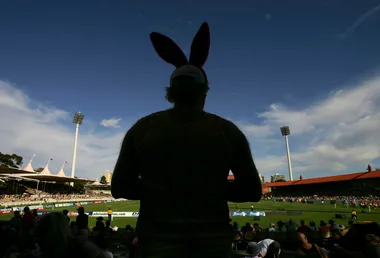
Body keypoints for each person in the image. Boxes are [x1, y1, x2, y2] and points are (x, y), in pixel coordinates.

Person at [111, 22, 262, 258]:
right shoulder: (228, 131)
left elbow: (119, 187)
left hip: (155, 241)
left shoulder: (142, 129)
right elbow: (253, 190)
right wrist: (207, 189)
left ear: (169, 93)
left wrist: (163, 189)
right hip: (212, 243)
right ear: (205, 91)